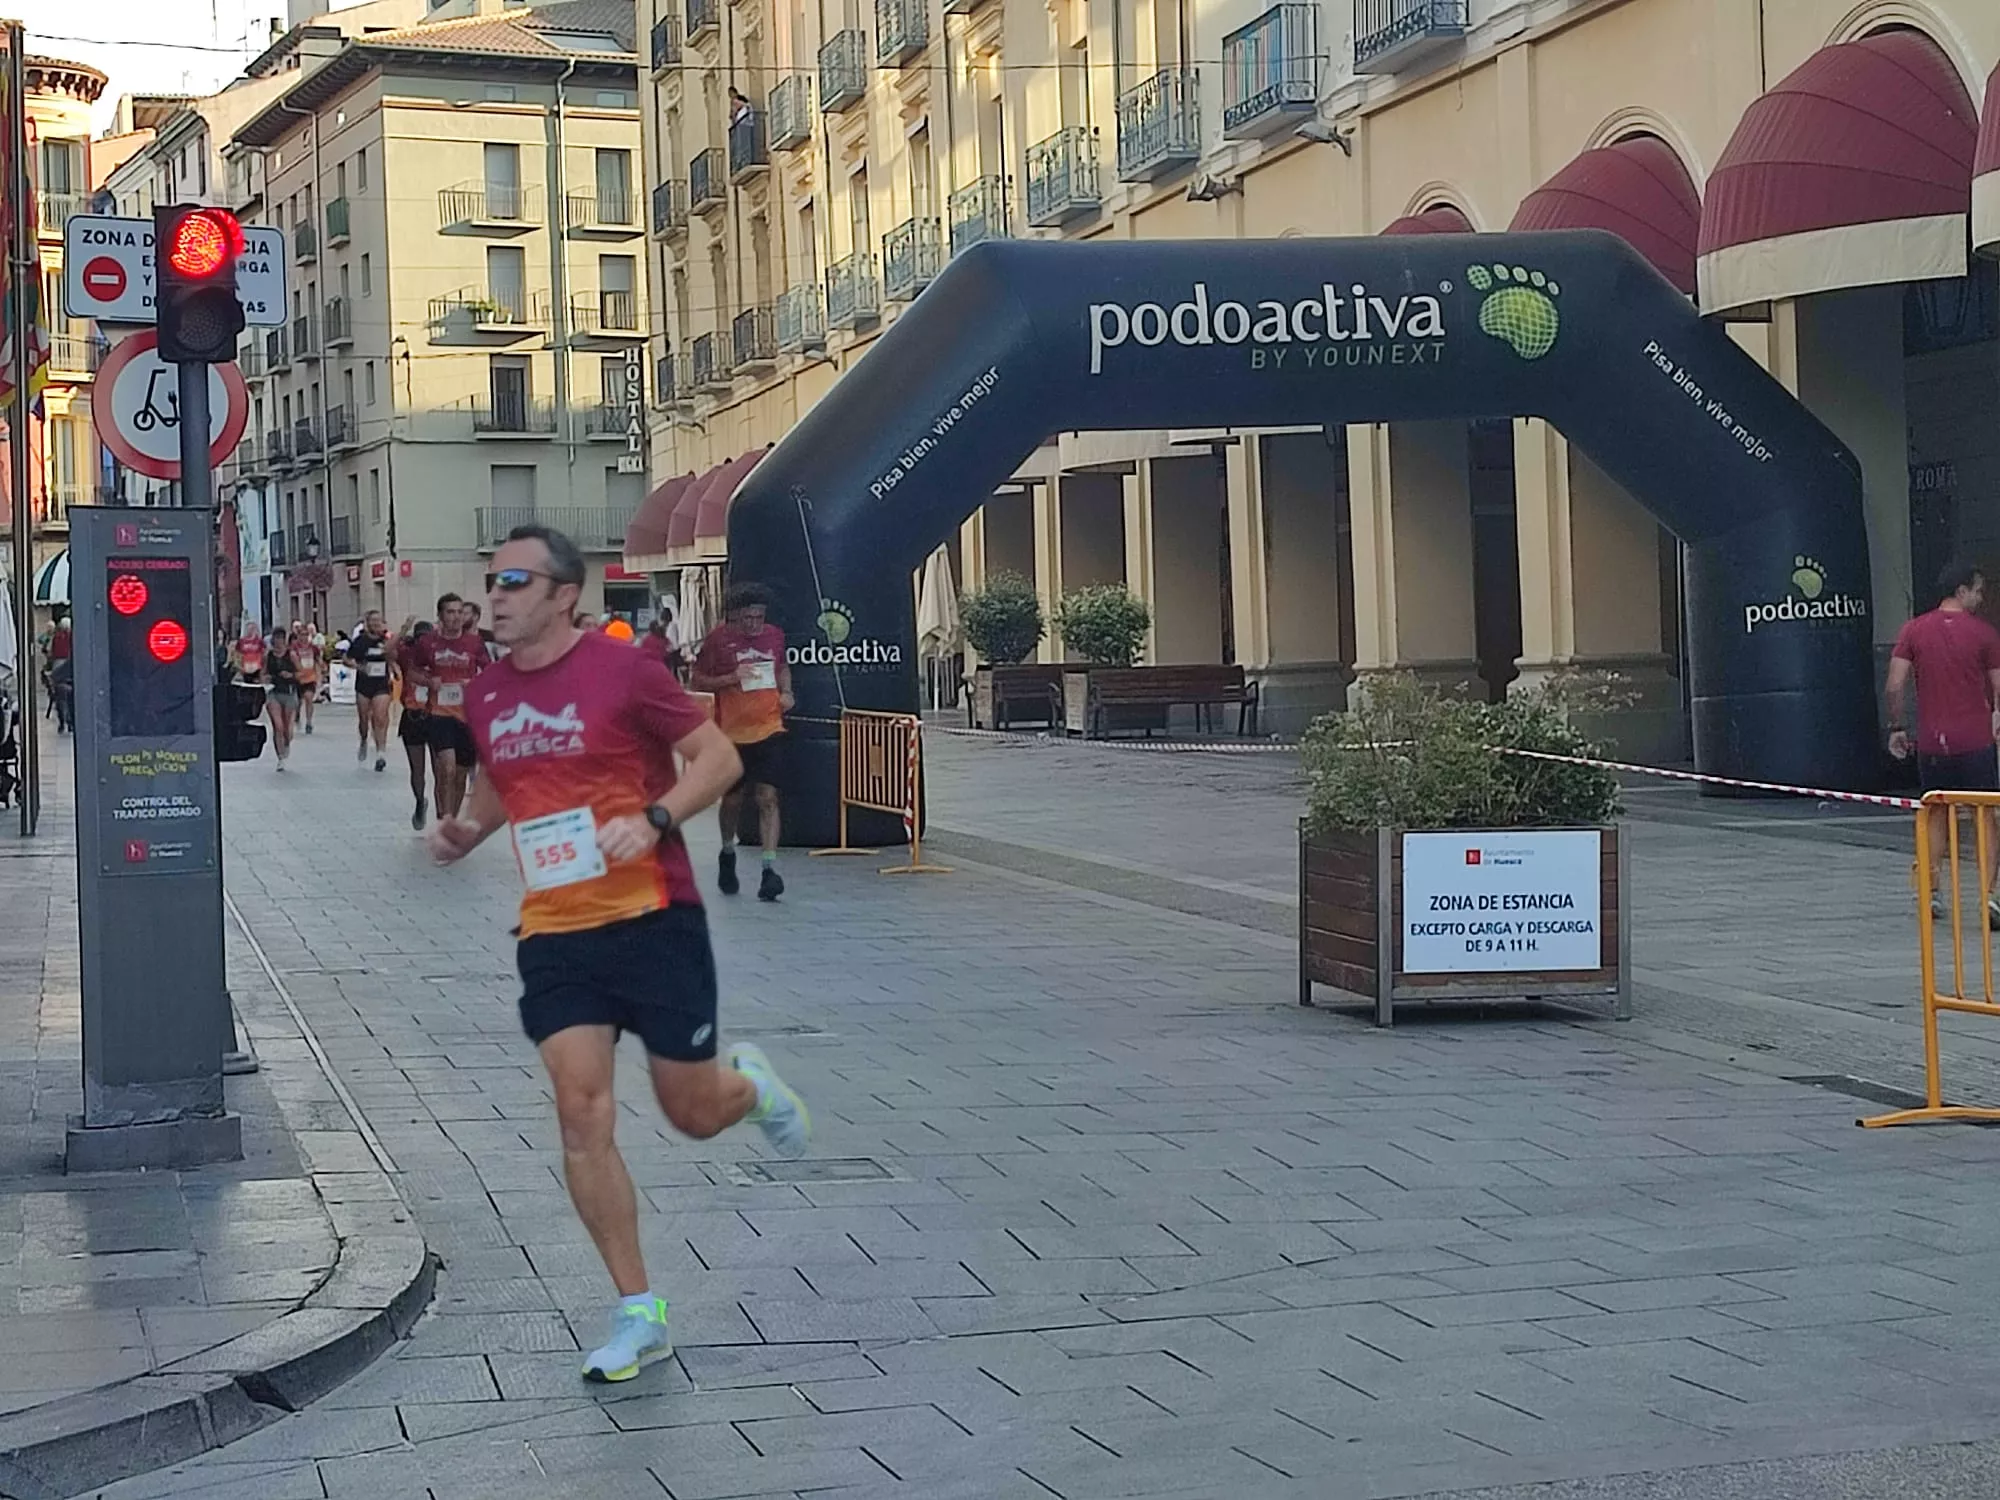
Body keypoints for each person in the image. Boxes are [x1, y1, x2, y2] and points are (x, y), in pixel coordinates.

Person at [423, 523, 810, 1385]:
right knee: (581, 1111)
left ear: (565, 595)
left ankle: (745, 1086)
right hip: (556, 928)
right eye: (493, 580)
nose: (497, 595)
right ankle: (640, 1312)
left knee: (691, 1113)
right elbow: (499, 775)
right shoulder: (485, 693)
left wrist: (659, 818)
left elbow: (718, 758)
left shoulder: (624, 669)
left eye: (516, 581)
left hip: (652, 914)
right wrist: (468, 830)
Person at [1888, 558, 2000, 925]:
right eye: (1978, 590)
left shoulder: (1913, 630)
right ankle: (1989, 897)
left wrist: (1897, 726)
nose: (1981, 598)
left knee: (1933, 814)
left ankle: (1932, 892)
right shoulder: (1984, 634)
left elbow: (1894, 684)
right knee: (1984, 817)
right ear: (1961, 590)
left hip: (1934, 744)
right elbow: (1999, 685)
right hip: (1976, 739)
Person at [691, 582, 792, 901]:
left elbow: (783, 666)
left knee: (768, 797)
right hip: (732, 733)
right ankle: (726, 851)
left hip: (770, 726)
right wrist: (729, 680)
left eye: (758, 618)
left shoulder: (775, 636)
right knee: (733, 801)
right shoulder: (718, 640)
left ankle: (769, 869)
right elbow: (697, 679)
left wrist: (787, 691)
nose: (752, 624)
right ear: (734, 618)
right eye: (746, 618)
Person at [408, 593, 492, 820]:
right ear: (441, 615)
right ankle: (445, 819)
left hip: (467, 716)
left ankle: (451, 818)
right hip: (438, 713)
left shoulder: (474, 644)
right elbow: (412, 672)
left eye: (459, 612)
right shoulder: (428, 643)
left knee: (460, 774)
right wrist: (428, 681)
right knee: (447, 768)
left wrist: (474, 684)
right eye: (450, 612)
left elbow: (490, 673)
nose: (455, 617)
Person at [397, 619, 436, 830]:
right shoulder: (407, 654)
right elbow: (389, 651)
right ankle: (420, 801)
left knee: (442, 768)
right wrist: (402, 631)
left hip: (437, 715)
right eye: (420, 638)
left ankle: (444, 813)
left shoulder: (440, 656)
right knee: (417, 769)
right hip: (413, 715)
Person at [349, 610, 396, 771]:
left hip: (381, 684)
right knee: (364, 720)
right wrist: (359, 667)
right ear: (367, 623)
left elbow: (393, 656)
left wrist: (394, 668)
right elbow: (347, 659)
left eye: (379, 621)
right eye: (373, 621)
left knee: (380, 717)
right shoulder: (360, 641)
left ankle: (380, 753)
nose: (376, 624)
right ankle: (363, 740)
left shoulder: (387, 640)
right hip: (364, 685)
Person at [263, 627, 302, 770]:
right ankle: (280, 758)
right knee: (278, 726)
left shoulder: (291, 655)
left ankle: (286, 743)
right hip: (273, 692)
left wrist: (291, 675)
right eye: (276, 638)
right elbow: (263, 673)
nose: (278, 642)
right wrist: (265, 679)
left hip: (289, 692)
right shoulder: (269, 655)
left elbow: (301, 673)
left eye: (281, 638)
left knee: (287, 729)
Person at [289, 623, 322, 735]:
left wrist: (320, 673)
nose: (304, 637)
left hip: (310, 677)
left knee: (308, 698)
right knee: (298, 702)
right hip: (298, 679)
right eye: (301, 635)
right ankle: (297, 715)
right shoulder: (293, 648)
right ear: (297, 636)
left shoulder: (313, 648)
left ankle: (309, 722)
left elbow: (318, 660)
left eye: (306, 634)